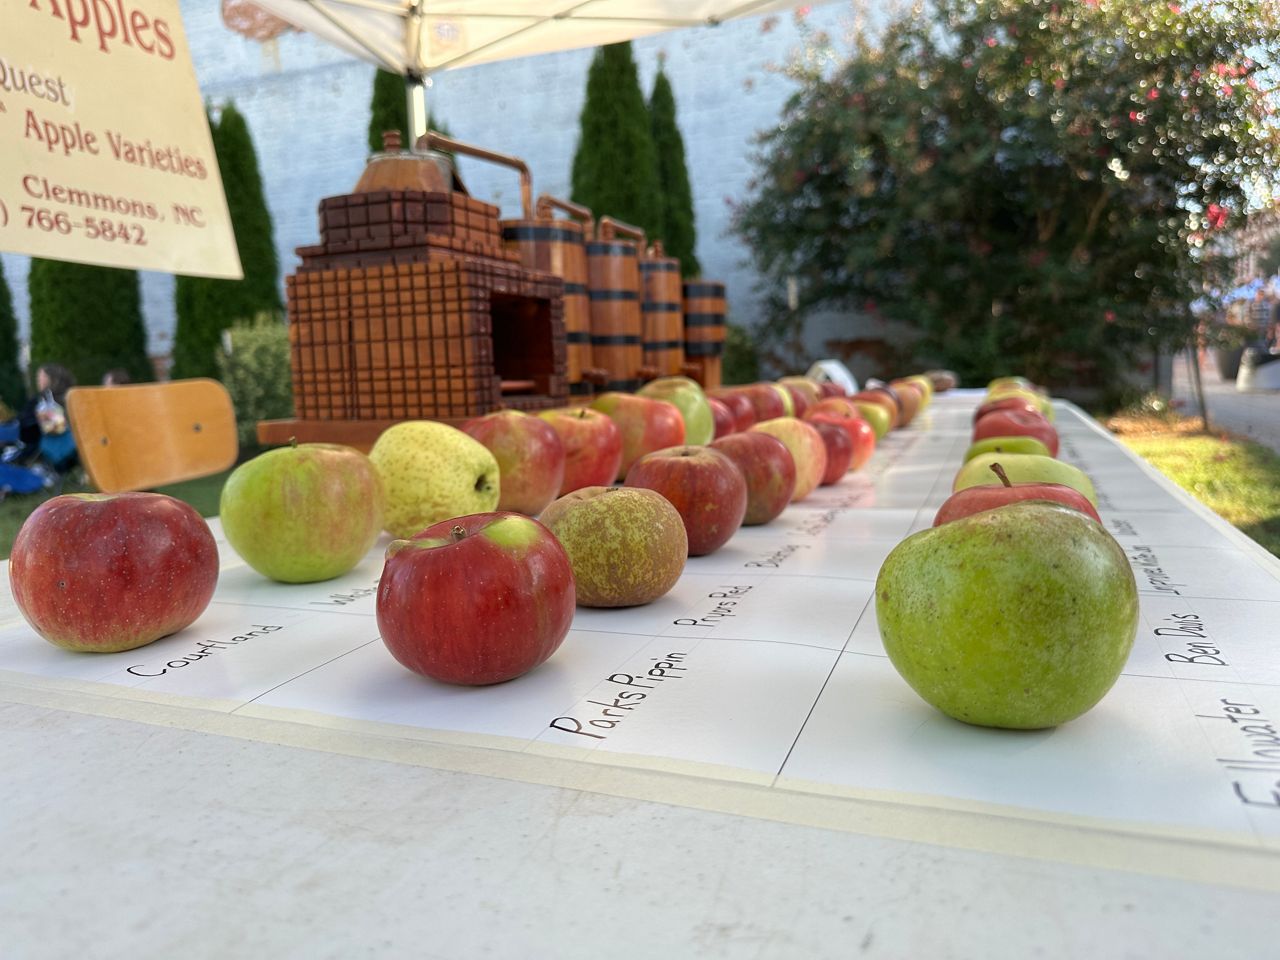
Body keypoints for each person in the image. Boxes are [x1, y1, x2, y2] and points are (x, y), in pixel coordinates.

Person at [0, 363, 78, 496]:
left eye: (41, 376)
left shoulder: (43, 401)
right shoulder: (70, 399)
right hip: (65, 450)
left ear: (51, 379)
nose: (38, 380)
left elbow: (23, 424)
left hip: (35, 446)